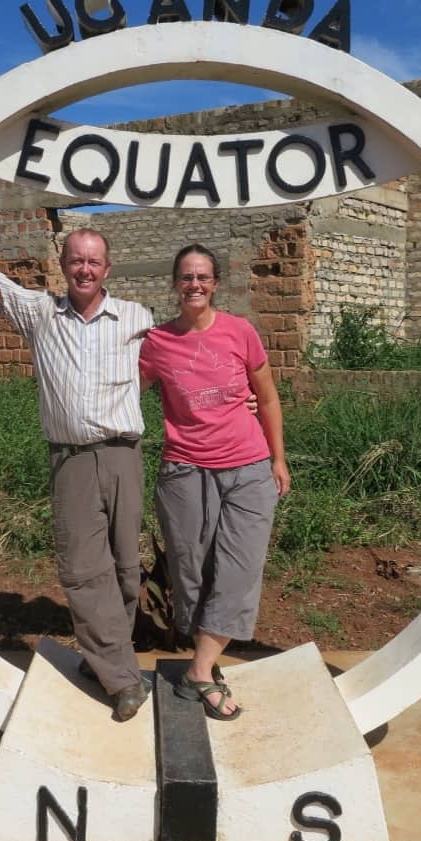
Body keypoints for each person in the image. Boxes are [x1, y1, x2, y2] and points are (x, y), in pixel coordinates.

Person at [0, 202, 153, 721]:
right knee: (83, 568)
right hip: (70, 461)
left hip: (123, 457)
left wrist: (239, 397)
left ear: (107, 268)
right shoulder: (40, 313)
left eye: (94, 261)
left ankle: (101, 655)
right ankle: (122, 679)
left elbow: (186, 359)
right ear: (62, 265)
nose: (84, 269)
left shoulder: (138, 318)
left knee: (125, 569)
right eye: (75, 261)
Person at [139, 244, 291, 721]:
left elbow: (266, 398)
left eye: (203, 277)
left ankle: (200, 671)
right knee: (191, 573)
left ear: (216, 283)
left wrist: (279, 459)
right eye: (186, 277)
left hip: (248, 467)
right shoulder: (156, 343)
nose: (195, 285)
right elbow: (121, 393)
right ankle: (205, 658)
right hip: (185, 471)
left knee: (239, 570)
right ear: (174, 283)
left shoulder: (240, 332)